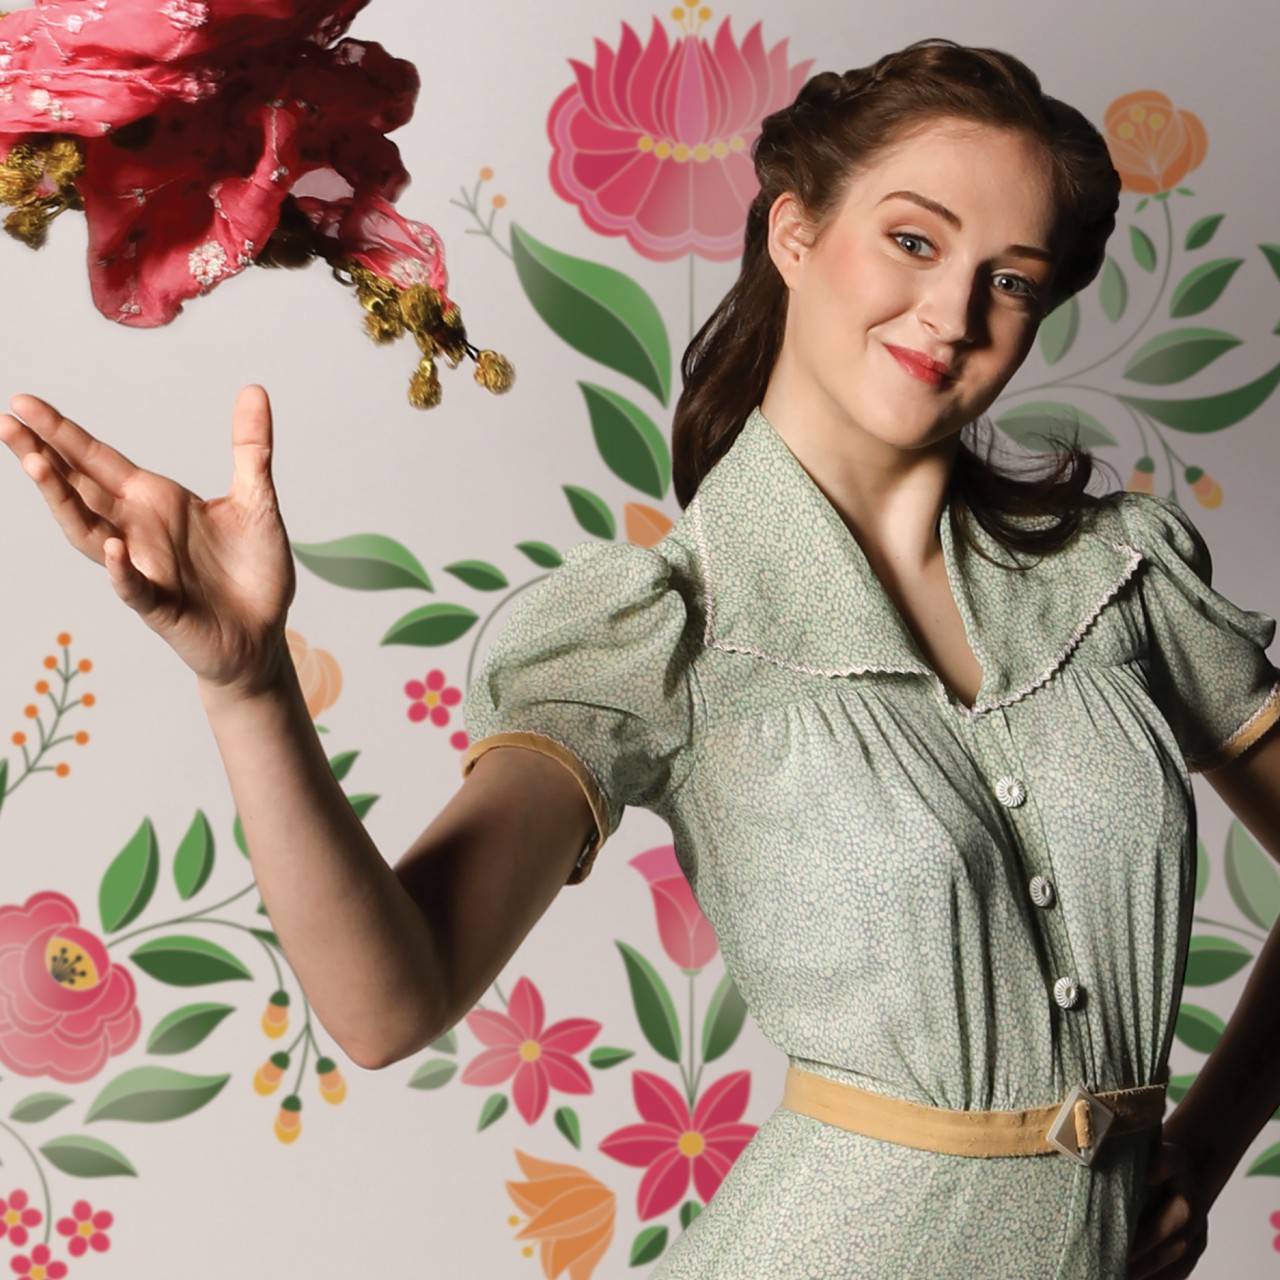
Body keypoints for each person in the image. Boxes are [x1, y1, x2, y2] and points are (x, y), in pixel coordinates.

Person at [3, 35, 1279, 1280]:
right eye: (911, 240)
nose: (951, 312)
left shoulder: (1118, 581)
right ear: (794, 235)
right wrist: (249, 685)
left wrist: (1207, 1141)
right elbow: (389, 1002)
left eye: (1010, 280)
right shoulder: (659, 631)